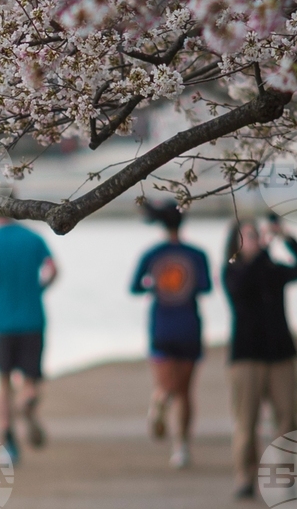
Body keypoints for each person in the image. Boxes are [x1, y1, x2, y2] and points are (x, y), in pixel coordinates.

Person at [222, 216, 297, 500]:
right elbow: (243, 285)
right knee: (246, 422)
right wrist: (254, 254)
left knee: (287, 418)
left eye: (257, 235)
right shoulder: (232, 272)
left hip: (280, 354)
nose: (256, 240)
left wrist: (285, 236)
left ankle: (286, 477)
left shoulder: (272, 269)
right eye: (249, 236)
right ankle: (244, 476)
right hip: (246, 357)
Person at [0, 208, 58, 463]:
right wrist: (39, 289)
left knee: (3, 383)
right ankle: (28, 402)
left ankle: (9, 444)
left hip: (1, 323)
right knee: (31, 380)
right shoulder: (34, 239)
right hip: (32, 320)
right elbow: (53, 269)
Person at [129, 201, 212, 470]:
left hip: (161, 327)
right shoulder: (197, 254)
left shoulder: (152, 254)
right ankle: (182, 447)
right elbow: (205, 287)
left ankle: (158, 403)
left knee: (166, 386)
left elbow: (134, 288)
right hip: (189, 326)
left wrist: (155, 285)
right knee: (186, 392)